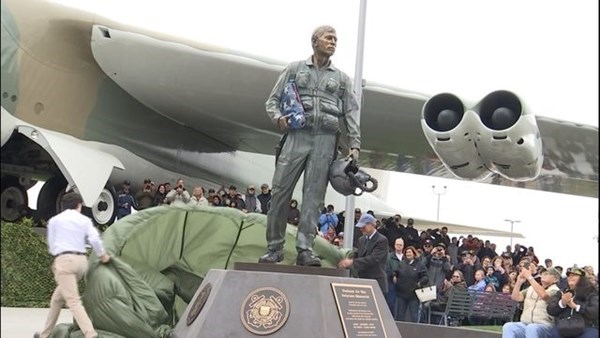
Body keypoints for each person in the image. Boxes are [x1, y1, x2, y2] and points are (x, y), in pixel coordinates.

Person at [259, 25, 361, 267]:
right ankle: (274, 248)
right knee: (279, 192)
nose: (333, 42)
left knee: (313, 199)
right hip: (297, 137)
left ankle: (305, 249)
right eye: (328, 38)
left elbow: (351, 112)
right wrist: (278, 118)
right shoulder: (294, 69)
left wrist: (355, 143)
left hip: (325, 141)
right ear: (315, 41)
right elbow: (272, 101)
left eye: (336, 39)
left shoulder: (342, 79)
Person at [34, 192, 111, 338]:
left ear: (62, 206)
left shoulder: (55, 221)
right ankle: (44, 334)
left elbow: (51, 246)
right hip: (81, 262)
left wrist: (59, 261)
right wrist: (102, 255)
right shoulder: (84, 220)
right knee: (57, 299)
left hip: (65, 261)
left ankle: (90, 334)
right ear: (79, 205)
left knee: (73, 301)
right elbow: (94, 239)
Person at [502, 266, 561, 338]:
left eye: (547, 274)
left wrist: (530, 277)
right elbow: (515, 297)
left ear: (555, 279)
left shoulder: (556, 291)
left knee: (532, 328)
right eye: (543, 273)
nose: (543, 275)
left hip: (544, 326)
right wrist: (519, 282)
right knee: (508, 326)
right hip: (525, 324)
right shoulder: (532, 287)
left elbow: (544, 296)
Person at [338, 214, 388, 297]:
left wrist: (351, 262)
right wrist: (346, 257)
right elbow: (359, 254)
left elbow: (373, 259)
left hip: (376, 283)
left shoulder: (382, 240)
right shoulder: (362, 239)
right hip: (363, 282)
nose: (361, 229)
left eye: (363, 226)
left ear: (371, 225)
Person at [547, 267, 599, 338]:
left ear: (582, 278)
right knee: (555, 333)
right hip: (564, 326)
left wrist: (576, 307)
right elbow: (550, 309)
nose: (570, 277)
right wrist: (562, 303)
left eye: (574, 275)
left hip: (586, 326)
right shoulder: (561, 293)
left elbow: (595, 311)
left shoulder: (591, 293)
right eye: (569, 276)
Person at [391, 245, 429, 322]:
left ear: (414, 254)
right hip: (401, 294)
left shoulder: (420, 265)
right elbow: (395, 271)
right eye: (407, 252)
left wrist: (419, 283)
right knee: (399, 316)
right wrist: (394, 276)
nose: (408, 254)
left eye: (410, 252)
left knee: (414, 316)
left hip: (414, 295)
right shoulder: (401, 264)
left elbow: (426, 277)